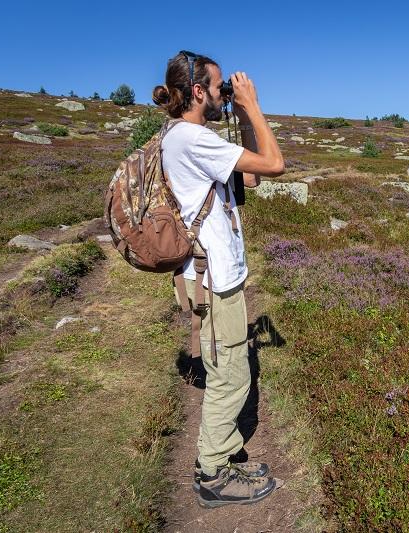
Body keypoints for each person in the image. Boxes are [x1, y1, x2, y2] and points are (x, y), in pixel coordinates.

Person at [152, 51, 284, 508]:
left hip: (210, 276)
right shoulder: (191, 138)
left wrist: (238, 115)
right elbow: (275, 164)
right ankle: (212, 474)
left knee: (227, 366)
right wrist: (251, 106)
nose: (224, 92)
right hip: (213, 280)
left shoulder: (189, 136)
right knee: (229, 376)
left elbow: (252, 177)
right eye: (219, 86)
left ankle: (227, 454)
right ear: (196, 91)